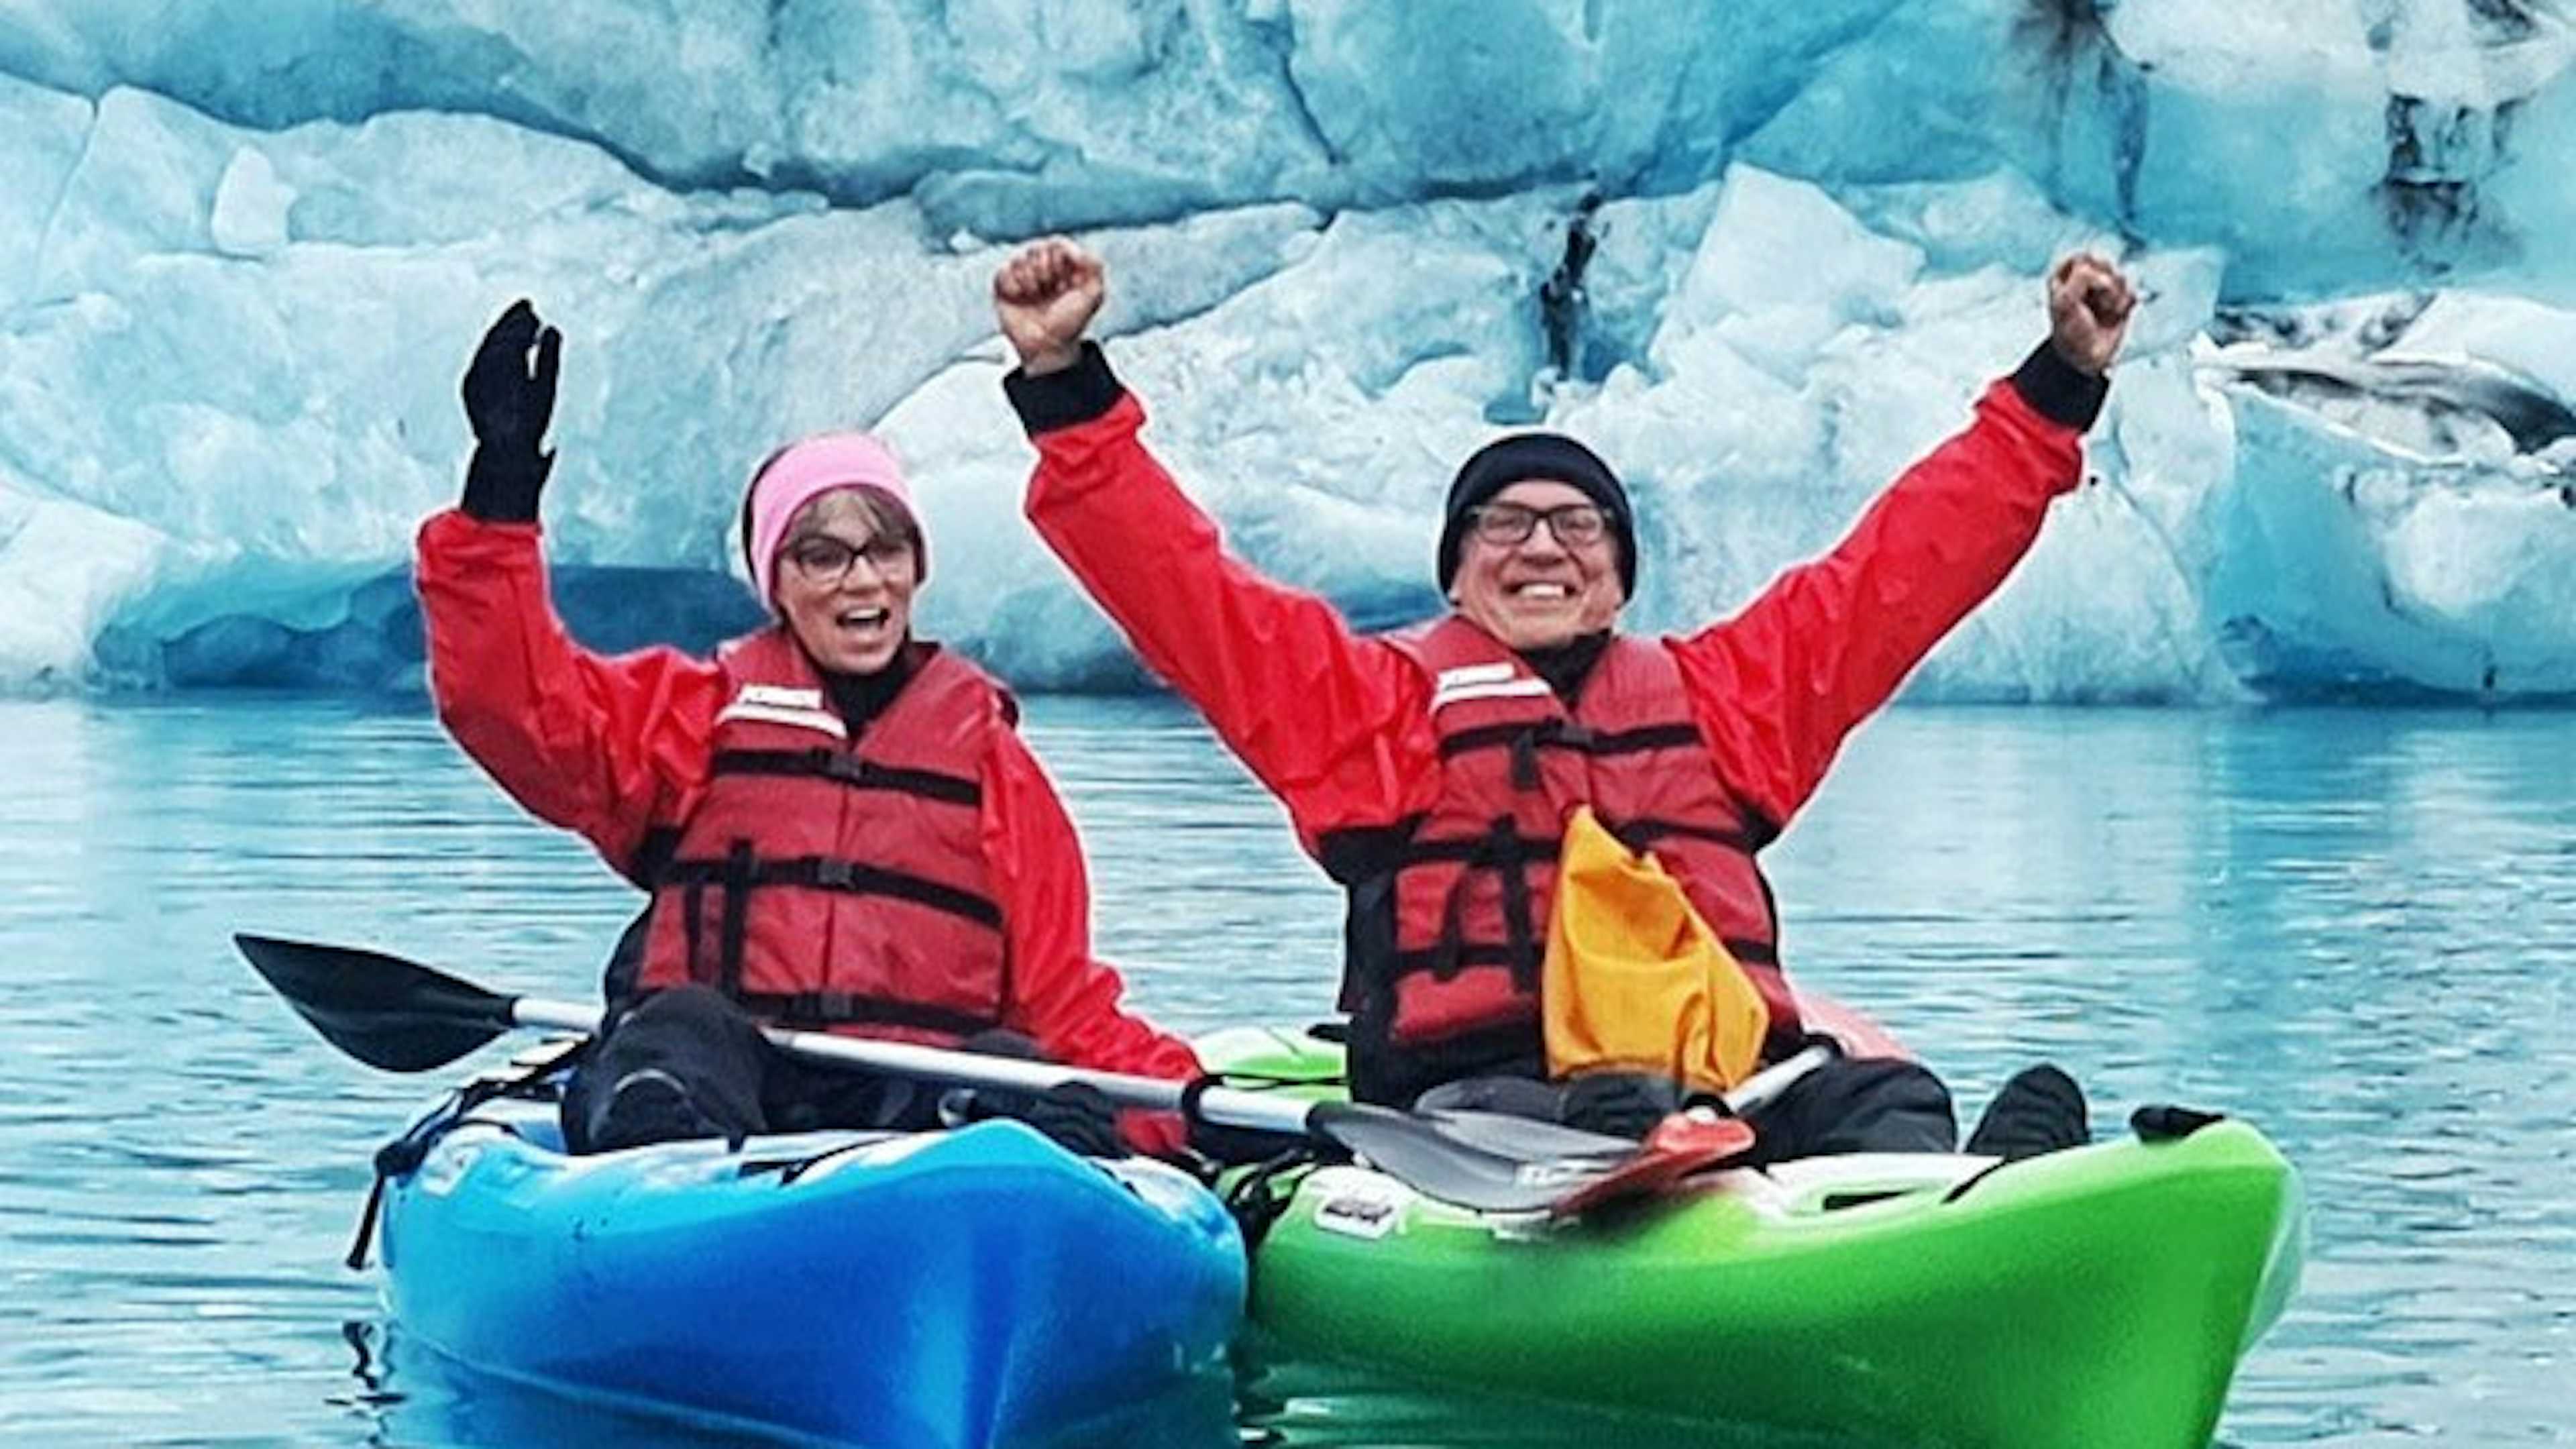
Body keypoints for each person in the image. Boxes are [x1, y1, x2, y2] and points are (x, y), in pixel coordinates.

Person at [991, 238, 2133, 1162]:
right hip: (1478, 1113)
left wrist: (2057, 389)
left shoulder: (1724, 698)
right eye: (1504, 526)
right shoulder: (1377, 710)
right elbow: (1188, 597)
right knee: (1599, 1116)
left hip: (1730, 1083)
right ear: (1453, 573)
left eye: (1576, 526)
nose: (1542, 547)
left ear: (1622, 576)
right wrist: (1066, 391)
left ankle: (1964, 1204)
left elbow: (1902, 572)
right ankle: (1644, 1176)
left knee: (1885, 1098)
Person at [415, 300, 1200, 1158]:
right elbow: (512, 708)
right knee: (675, 1032)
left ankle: (990, 1160)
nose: (861, 582)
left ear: (916, 570)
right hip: (725, 1086)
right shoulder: (696, 718)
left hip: (908, 1109)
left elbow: (1064, 1002)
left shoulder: (992, 768)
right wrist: (498, 500)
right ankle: (664, 1163)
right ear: (776, 585)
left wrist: (1187, 1110)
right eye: (822, 556)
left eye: (885, 551)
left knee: (1007, 1075)